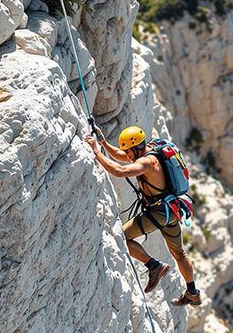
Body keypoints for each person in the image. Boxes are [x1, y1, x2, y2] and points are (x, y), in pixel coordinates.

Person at [85, 126, 201, 306]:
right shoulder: (150, 150)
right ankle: (192, 292)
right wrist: (103, 143)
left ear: (137, 148)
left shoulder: (147, 163)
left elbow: (119, 171)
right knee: (179, 253)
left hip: (158, 212)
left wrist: (95, 151)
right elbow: (120, 156)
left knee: (122, 237)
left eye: (129, 151)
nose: (127, 155)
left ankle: (154, 266)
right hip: (171, 208)